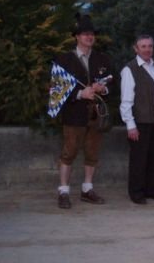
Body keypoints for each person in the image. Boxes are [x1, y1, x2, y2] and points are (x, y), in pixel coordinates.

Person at [55, 14, 114, 209]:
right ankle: (63, 191)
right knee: (68, 152)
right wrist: (81, 93)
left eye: (92, 34)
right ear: (77, 37)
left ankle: (87, 189)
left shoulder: (102, 59)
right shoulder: (64, 60)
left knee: (92, 153)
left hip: (96, 115)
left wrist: (102, 89)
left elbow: (113, 85)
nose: (89, 37)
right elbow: (58, 90)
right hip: (74, 115)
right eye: (85, 34)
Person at [120, 34, 154, 205]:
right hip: (139, 120)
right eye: (143, 46)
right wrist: (130, 125)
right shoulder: (129, 69)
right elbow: (126, 101)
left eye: (150, 46)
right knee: (139, 158)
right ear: (136, 48)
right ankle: (136, 192)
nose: (147, 49)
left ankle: (152, 189)